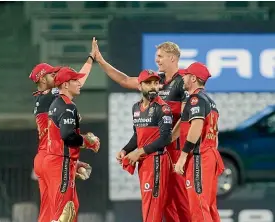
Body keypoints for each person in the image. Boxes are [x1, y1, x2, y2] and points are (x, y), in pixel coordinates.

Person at [95, 41, 190, 221]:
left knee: (181, 202)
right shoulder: (156, 80)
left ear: (172, 58)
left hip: (174, 150)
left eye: (160, 56)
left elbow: (186, 118)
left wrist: (168, 139)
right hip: (158, 150)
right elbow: (124, 80)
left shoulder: (182, 81)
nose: (157, 60)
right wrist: (100, 61)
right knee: (166, 204)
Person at [30, 37, 98, 222]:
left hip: (44, 156)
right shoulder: (54, 95)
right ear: (43, 79)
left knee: (47, 213)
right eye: (52, 75)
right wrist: (91, 58)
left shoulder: (40, 99)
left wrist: (72, 163)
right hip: (54, 157)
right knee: (65, 212)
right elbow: (77, 80)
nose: (56, 77)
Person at [43, 67, 100, 222]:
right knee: (64, 213)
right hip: (60, 163)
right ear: (65, 85)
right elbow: (68, 137)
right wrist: (88, 142)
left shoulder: (57, 103)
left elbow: (59, 139)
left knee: (69, 209)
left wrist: (75, 163)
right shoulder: (67, 106)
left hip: (58, 161)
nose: (79, 83)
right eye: (75, 80)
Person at [116, 69, 173, 222]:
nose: (153, 86)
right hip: (144, 162)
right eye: (148, 83)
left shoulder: (163, 108)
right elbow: (137, 135)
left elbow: (166, 138)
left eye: (155, 83)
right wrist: (126, 149)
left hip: (157, 160)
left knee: (152, 207)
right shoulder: (136, 108)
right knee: (150, 204)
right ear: (140, 86)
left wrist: (140, 151)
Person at [174, 62, 225, 222]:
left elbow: (196, 127)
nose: (183, 78)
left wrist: (182, 157)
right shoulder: (209, 100)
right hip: (209, 156)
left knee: (198, 207)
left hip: (199, 157)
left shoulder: (195, 99)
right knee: (209, 207)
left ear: (194, 78)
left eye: (186, 75)